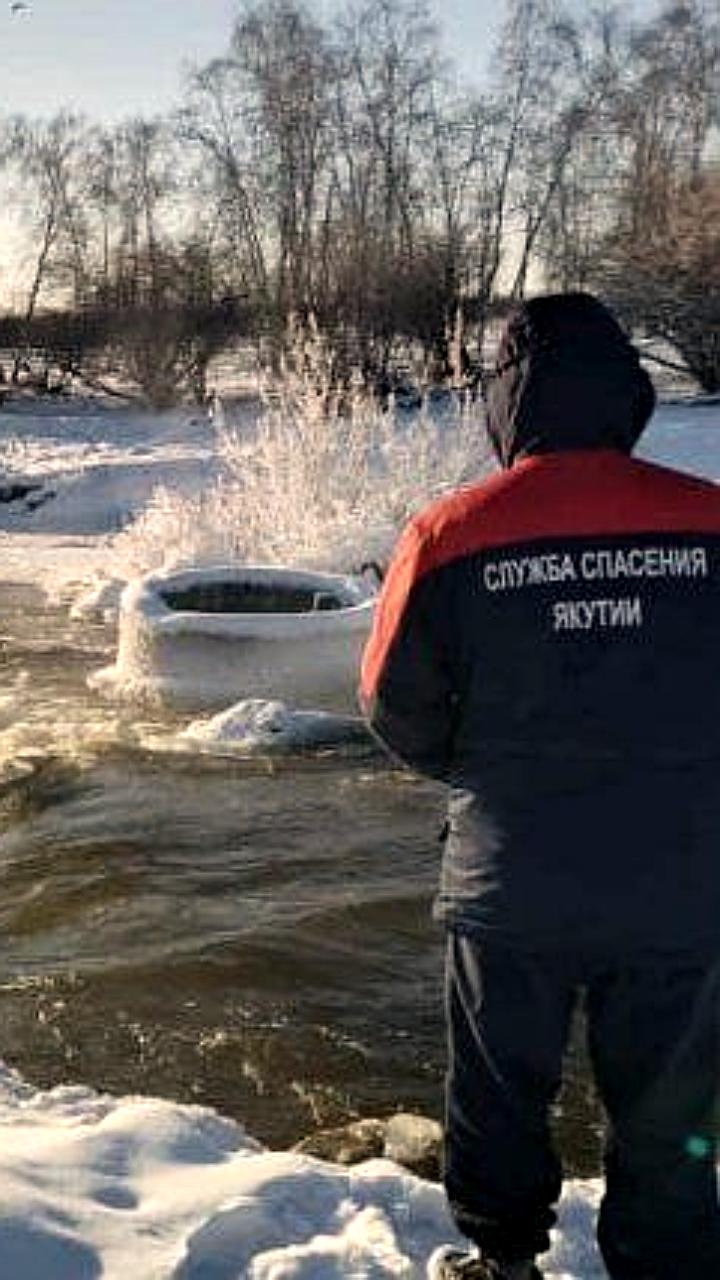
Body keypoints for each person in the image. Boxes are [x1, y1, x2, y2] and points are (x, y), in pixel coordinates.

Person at [359, 293, 720, 1280]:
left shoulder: (448, 531)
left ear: (503, 402)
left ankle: (505, 1260)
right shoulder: (709, 519)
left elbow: (391, 701)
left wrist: (488, 777)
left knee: (499, 1092)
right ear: (630, 394)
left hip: (509, 877)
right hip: (684, 884)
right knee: (672, 1103)